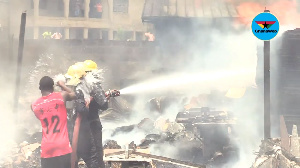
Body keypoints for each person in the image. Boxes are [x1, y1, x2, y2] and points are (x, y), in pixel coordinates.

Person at [66, 60, 119, 168]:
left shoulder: (69, 89)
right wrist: (103, 98)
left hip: (72, 129)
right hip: (90, 125)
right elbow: (103, 104)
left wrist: (105, 94)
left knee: (74, 156)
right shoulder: (91, 84)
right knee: (95, 157)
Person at [31, 76, 76, 168]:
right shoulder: (61, 96)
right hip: (62, 146)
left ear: (40, 88)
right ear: (53, 87)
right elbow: (74, 94)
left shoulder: (34, 105)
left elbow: (42, 116)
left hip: (47, 149)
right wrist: (62, 85)